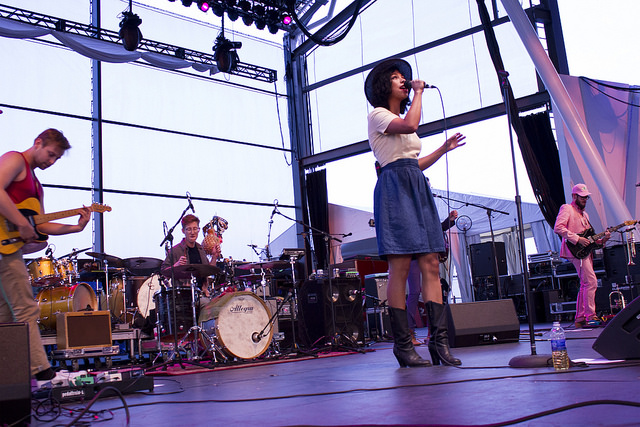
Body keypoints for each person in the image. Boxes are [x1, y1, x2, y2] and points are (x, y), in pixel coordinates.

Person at [365, 58, 465, 367]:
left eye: (403, 78)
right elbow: (410, 126)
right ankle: (404, 346)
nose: (403, 81)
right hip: (394, 187)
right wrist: (419, 92)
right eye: (396, 77)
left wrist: (443, 149)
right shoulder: (378, 115)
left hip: (415, 183)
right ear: (384, 86)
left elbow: (413, 161)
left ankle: (439, 343)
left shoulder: (402, 119)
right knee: (400, 266)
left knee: (431, 262)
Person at [0, 129, 91, 381]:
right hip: (6, 250)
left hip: (8, 248)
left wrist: (76, 228)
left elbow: (40, 225)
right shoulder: (15, 159)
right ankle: (41, 373)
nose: (51, 161)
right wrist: (21, 223)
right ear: (37, 142)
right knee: (26, 309)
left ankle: (10, 377)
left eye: (56, 159)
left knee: (5, 315)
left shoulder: (36, 186)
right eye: (50, 154)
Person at [554, 183, 610, 328]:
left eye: (586, 197)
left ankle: (580, 317)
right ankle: (590, 316)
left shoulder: (585, 215)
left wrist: (603, 240)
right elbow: (558, 227)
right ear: (574, 196)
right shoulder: (567, 208)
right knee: (590, 281)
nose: (585, 200)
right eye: (582, 197)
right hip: (574, 250)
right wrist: (577, 239)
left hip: (584, 251)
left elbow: (589, 238)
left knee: (586, 283)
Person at [406, 210, 458, 346]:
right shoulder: (409, 212)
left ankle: (432, 333)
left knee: (432, 293)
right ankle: (409, 333)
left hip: (428, 255)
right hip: (413, 255)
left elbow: (437, 228)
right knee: (415, 292)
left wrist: (449, 220)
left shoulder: (426, 212)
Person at [161, 214, 219, 296]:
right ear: (183, 231)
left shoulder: (200, 249)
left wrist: (214, 256)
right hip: (183, 297)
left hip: (202, 294)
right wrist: (176, 266)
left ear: (198, 230)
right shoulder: (174, 251)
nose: (192, 232)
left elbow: (208, 271)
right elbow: (163, 275)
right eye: (189, 229)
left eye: (195, 229)